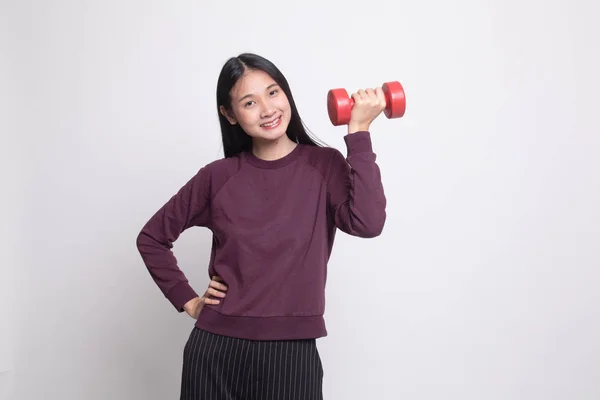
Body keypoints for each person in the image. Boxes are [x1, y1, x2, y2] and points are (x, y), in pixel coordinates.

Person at [136, 52, 387, 399]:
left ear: (286, 93)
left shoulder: (324, 166)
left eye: (273, 92)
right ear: (230, 115)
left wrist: (358, 133)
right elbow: (151, 238)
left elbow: (368, 222)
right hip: (215, 351)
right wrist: (189, 301)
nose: (267, 109)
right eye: (249, 102)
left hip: (291, 353)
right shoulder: (218, 177)